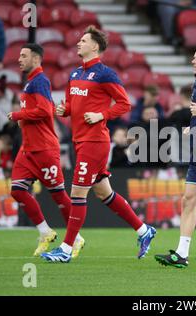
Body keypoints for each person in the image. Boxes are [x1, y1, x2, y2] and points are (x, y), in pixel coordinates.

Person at [41, 26, 156, 263]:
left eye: (83, 41)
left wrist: (101, 115)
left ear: (95, 46)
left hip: (95, 141)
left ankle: (65, 249)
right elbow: (74, 105)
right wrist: (65, 110)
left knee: (77, 193)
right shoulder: (74, 75)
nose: (78, 44)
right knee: (104, 192)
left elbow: (125, 104)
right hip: (79, 140)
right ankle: (144, 230)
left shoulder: (105, 74)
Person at [7, 43, 84, 258]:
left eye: (24, 56)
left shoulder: (40, 80)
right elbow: (42, 109)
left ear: (36, 59)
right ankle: (45, 232)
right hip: (28, 148)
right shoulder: (31, 82)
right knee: (17, 190)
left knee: (59, 197)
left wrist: (18, 116)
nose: (19, 59)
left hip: (44, 148)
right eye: (19, 55)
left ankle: (76, 239)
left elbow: (43, 111)